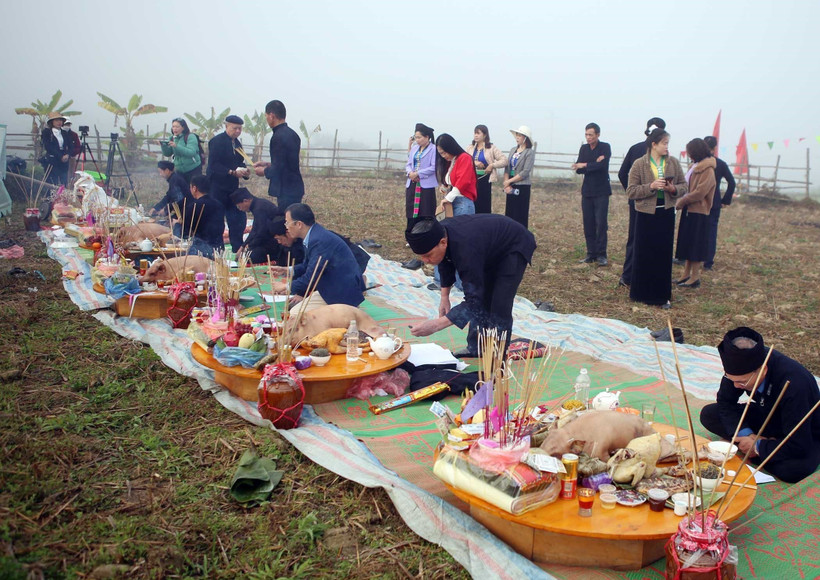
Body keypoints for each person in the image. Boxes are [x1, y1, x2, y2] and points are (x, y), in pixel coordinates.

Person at [700, 327, 820, 484]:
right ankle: (759, 448)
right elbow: (725, 402)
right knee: (709, 414)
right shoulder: (739, 367)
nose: (736, 386)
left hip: (801, 430)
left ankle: (759, 450)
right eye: (731, 380)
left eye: (742, 382)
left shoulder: (796, 384)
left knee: (793, 470)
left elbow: (798, 442)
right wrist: (747, 435)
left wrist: (758, 446)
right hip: (766, 414)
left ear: (763, 371)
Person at [405, 215, 536, 357]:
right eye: (421, 256)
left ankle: (497, 356)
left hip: (513, 245)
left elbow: (474, 300)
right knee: (483, 296)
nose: (425, 261)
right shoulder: (440, 233)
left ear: (443, 242)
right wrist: (444, 297)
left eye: (428, 255)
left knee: (499, 304)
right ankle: (476, 348)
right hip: (486, 248)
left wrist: (436, 325)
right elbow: (444, 261)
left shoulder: (465, 248)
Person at [626, 128, 686, 308]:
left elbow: (684, 186)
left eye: (668, 143)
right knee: (644, 254)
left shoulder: (673, 163)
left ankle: (661, 296)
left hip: (666, 213)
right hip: (645, 215)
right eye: (664, 143)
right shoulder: (639, 164)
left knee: (663, 255)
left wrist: (673, 189)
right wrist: (651, 186)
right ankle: (640, 293)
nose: (667, 147)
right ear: (654, 144)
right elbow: (631, 191)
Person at [269, 203, 365, 309]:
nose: (286, 228)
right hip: (330, 287)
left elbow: (311, 275)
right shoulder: (313, 235)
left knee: (297, 315)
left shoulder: (319, 241)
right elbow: (307, 265)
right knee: (294, 309)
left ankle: (350, 314)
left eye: (287, 223)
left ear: (299, 224)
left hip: (341, 293)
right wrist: (287, 270)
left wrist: (286, 286)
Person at [618, 117, 666, 287]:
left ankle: (629, 276)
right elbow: (623, 173)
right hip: (651, 203)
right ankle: (636, 276)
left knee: (635, 238)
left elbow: (622, 174)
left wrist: (633, 193)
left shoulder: (637, 148)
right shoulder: (656, 153)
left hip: (643, 202)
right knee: (647, 240)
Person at [673, 138, 716, 289]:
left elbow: (700, 192)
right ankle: (685, 274)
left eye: (690, 152)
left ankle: (695, 277)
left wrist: (683, 201)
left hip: (698, 211)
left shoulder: (708, 169)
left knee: (696, 245)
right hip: (689, 210)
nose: (689, 155)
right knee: (687, 243)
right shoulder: (695, 166)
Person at [207, 115, 251, 252]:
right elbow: (213, 165)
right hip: (217, 187)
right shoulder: (216, 142)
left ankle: (237, 249)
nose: (237, 131)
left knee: (237, 220)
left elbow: (240, 162)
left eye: (240, 129)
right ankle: (217, 250)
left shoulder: (237, 144)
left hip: (233, 189)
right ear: (226, 126)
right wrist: (231, 172)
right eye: (234, 128)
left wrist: (245, 172)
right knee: (217, 221)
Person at [270, 215, 369, 274]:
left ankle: (359, 280)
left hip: (355, 261)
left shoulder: (314, 240)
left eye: (288, 224)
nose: (279, 242)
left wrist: (293, 288)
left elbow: (313, 269)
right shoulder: (302, 238)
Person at [572, 123, 612, 266]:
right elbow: (578, 169)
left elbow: (602, 166)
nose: (588, 137)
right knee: (588, 222)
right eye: (586, 135)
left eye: (591, 135)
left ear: (598, 135)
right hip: (587, 191)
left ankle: (602, 254)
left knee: (600, 223)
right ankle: (591, 253)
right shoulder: (584, 148)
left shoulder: (605, 147)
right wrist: (591, 164)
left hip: (601, 191)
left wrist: (585, 165)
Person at [253, 100, 305, 209]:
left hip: (286, 188)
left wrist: (264, 171)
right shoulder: (292, 134)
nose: (266, 119)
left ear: (272, 116)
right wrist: (267, 164)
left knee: (287, 220)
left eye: (266, 116)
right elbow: (286, 161)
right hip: (294, 186)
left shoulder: (278, 137)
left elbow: (279, 167)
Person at [402, 123, 437, 270]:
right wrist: (410, 173)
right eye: (415, 137)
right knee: (411, 209)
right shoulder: (415, 148)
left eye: (419, 137)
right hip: (413, 183)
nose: (417, 140)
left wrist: (419, 174)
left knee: (425, 209)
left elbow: (433, 167)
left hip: (425, 184)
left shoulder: (433, 149)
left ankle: (424, 234)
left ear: (427, 137)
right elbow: (409, 163)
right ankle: (412, 235)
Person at [703, 135, 736, 271]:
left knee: (697, 231)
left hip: (699, 201)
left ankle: (692, 258)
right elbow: (732, 183)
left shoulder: (699, 163)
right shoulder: (720, 164)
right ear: (715, 147)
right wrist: (725, 200)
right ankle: (708, 262)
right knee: (711, 232)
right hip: (715, 202)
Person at [230, 188, 283, 264]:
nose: (240, 209)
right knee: (248, 253)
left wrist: (250, 246)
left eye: (239, 206)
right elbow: (255, 229)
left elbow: (261, 232)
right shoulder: (257, 205)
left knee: (250, 257)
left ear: (245, 201)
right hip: (267, 238)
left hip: (276, 240)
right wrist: (243, 246)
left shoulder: (259, 208)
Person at [465, 125, 508, 214]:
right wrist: (475, 163)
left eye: (478, 133)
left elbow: (504, 160)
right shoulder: (470, 148)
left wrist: (492, 165)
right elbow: (463, 160)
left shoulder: (491, 148)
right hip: (470, 179)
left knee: (483, 204)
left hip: (485, 179)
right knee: (471, 202)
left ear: (485, 135)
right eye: (475, 133)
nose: (476, 135)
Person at [180, 175, 225, 259]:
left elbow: (185, 232)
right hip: (219, 248)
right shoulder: (219, 205)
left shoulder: (193, 207)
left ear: (194, 188)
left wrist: (178, 223)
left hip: (200, 250)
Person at [435, 133, 477, 218]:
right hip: (453, 201)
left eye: (444, 153)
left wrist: (448, 198)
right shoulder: (452, 161)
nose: (443, 156)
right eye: (441, 154)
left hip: (463, 202)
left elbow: (463, 182)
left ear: (450, 148)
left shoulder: (464, 158)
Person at [502, 126, 535, 228]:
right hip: (510, 183)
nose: (517, 137)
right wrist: (506, 182)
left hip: (522, 185)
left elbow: (525, 172)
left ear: (525, 138)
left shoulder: (529, 152)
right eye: (517, 135)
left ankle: (521, 237)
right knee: (510, 212)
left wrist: (509, 181)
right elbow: (507, 167)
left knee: (520, 213)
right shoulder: (513, 150)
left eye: (520, 135)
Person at [160, 118, 203, 183]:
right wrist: (163, 145)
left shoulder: (190, 137)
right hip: (179, 170)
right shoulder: (172, 138)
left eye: (177, 127)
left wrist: (176, 146)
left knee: (194, 191)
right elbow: (168, 154)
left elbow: (191, 152)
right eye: (173, 126)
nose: (175, 129)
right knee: (181, 191)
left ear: (183, 128)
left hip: (193, 169)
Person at [151, 161, 190, 228]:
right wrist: (157, 207)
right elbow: (168, 196)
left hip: (186, 210)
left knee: (168, 225)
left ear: (167, 170)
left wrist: (166, 209)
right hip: (182, 209)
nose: (160, 174)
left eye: (160, 172)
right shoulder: (173, 178)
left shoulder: (175, 180)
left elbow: (178, 199)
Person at [40, 112, 71, 185]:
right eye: (56, 120)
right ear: (52, 122)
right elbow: (48, 146)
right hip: (52, 160)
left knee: (63, 181)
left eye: (60, 120)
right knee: (52, 182)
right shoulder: (47, 132)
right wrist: (60, 156)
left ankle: (63, 195)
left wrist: (67, 155)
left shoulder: (64, 133)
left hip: (64, 162)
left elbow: (70, 146)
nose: (59, 122)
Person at [62, 118, 82, 183]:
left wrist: (71, 154)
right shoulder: (59, 134)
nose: (67, 126)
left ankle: (69, 186)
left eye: (68, 124)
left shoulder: (74, 135)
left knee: (70, 174)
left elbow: (78, 147)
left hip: (71, 158)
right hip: (60, 157)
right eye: (65, 124)